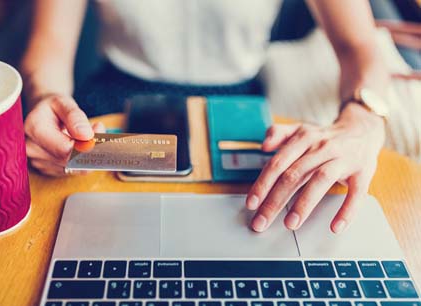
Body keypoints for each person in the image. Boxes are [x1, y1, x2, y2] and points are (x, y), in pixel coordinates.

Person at [22, 0, 389, 234]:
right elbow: (50, 43)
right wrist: (47, 98)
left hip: (236, 103)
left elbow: (360, 45)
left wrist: (363, 119)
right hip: (112, 100)